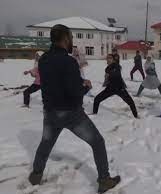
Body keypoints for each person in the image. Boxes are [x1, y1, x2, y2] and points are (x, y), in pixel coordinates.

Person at [28, 24, 120, 194]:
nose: (72, 41)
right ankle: (104, 180)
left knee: (45, 144)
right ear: (65, 39)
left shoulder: (44, 60)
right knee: (98, 142)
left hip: (50, 113)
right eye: (71, 37)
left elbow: (52, 84)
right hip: (71, 113)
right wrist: (85, 86)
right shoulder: (69, 61)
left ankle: (36, 175)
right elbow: (73, 92)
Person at [93, 54, 138, 118]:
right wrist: (106, 80)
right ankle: (95, 114)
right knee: (97, 99)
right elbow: (108, 75)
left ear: (113, 59)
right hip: (110, 88)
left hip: (120, 88)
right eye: (107, 58)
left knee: (130, 102)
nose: (108, 59)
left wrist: (109, 73)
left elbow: (116, 70)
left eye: (110, 58)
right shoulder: (107, 68)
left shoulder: (117, 66)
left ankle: (136, 116)